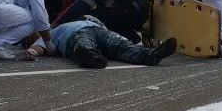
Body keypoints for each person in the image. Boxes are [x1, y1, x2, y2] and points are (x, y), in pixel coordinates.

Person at [25, 16, 177, 69]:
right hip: (77, 35)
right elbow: (39, 47)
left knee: (120, 44)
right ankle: (90, 57)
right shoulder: (50, 33)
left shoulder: (60, 25)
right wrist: (32, 51)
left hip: (99, 30)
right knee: (83, 44)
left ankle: (150, 55)